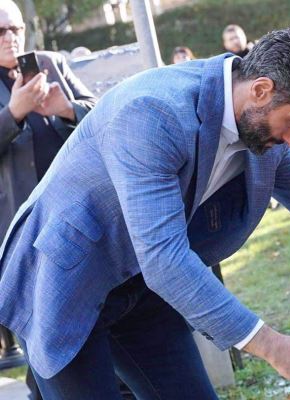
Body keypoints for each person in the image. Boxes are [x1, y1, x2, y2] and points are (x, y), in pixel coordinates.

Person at [0, 27, 290, 399]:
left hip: (140, 286)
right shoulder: (154, 113)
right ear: (262, 89)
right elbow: (165, 257)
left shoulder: (257, 121)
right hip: (64, 277)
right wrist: (273, 346)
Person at [0, 1, 97, 398]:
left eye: (15, 29)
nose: (10, 37)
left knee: (88, 322)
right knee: (42, 329)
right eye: (0, 31)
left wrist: (67, 110)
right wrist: (13, 113)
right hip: (20, 231)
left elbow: (103, 117)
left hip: (77, 218)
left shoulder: (51, 63)